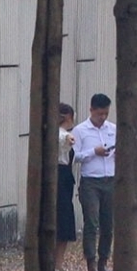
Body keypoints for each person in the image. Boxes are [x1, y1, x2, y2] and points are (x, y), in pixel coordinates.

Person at [73, 93, 116, 271]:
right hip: (91, 180)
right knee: (92, 221)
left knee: (108, 223)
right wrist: (93, 152)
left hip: (110, 179)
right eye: (99, 114)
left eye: (105, 113)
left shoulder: (113, 129)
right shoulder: (80, 130)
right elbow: (75, 156)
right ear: (91, 110)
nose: (103, 117)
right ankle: (90, 261)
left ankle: (103, 260)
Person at [57, 103, 79, 258]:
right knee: (62, 220)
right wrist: (68, 138)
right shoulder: (61, 134)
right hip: (61, 176)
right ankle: (55, 263)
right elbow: (64, 138)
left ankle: (58, 263)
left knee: (64, 221)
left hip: (64, 177)